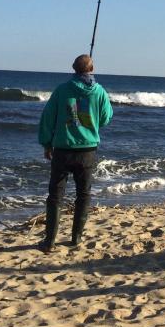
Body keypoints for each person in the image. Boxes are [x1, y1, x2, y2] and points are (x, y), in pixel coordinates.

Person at [37, 54, 114, 253]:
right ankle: (76, 238)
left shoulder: (62, 90)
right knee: (84, 194)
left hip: (63, 149)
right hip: (87, 150)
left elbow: (48, 118)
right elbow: (106, 118)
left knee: (55, 195)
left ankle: (50, 241)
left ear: (74, 68)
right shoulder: (99, 91)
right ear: (92, 69)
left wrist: (46, 143)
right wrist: (91, 123)